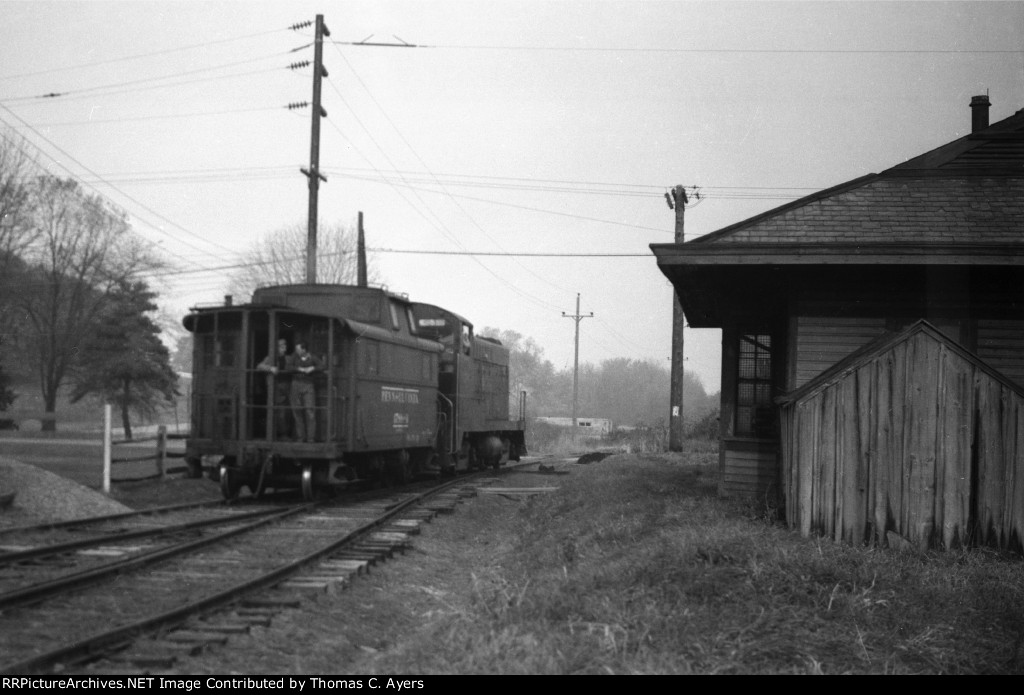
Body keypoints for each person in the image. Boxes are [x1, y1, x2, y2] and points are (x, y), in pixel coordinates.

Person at [287, 340, 324, 442]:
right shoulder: (294, 356)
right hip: (296, 384)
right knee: (297, 411)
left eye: (298, 349)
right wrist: (300, 369)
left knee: (309, 411)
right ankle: (301, 437)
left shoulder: (312, 357)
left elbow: (322, 366)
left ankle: (310, 438)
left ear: (304, 349)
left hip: (308, 385)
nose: (296, 351)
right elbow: (288, 367)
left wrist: (313, 368)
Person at [257, 338, 293, 439]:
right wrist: (270, 368)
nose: (284, 348)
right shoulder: (271, 358)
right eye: (282, 346)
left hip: (287, 387)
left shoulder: (289, 358)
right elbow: (259, 366)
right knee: (280, 412)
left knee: (287, 412)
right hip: (275, 388)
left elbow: (295, 365)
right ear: (277, 347)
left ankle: (286, 433)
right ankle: (282, 434)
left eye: (285, 345)